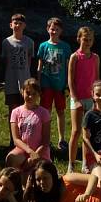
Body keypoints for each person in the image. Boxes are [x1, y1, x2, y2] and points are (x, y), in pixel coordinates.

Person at [37, 17, 72, 153]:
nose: (54, 31)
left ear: (61, 31)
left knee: (60, 111)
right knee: (45, 112)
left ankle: (61, 139)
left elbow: (69, 67)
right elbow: (39, 66)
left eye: (56, 29)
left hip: (60, 85)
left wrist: (68, 84)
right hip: (46, 84)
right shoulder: (43, 46)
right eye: (52, 29)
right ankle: (45, 139)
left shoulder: (65, 47)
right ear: (48, 29)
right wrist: (39, 83)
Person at [67, 27, 100, 173]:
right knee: (75, 131)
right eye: (85, 39)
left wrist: (97, 97)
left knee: (88, 133)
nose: (87, 42)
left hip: (91, 98)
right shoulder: (75, 57)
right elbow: (70, 79)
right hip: (77, 98)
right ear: (79, 38)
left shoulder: (95, 57)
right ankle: (71, 163)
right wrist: (75, 98)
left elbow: (97, 78)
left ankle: (85, 163)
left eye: (90, 40)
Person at [6, 78, 51, 173]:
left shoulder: (44, 113)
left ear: (39, 94)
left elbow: (46, 140)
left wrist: (35, 155)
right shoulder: (15, 112)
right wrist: (29, 151)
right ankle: (16, 181)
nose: (30, 96)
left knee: (34, 171)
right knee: (11, 158)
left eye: (34, 94)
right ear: (22, 92)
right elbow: (16, 139)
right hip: (23, 150)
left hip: (40, 152)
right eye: (28, 93)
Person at [2, 14, 34, 133]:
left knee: (26, 108)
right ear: (11, 25)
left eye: (20, 23)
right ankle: (13, 137)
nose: (17, 25)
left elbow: (29, 60)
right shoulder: (6, 42)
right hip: (11, 80)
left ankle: (25, 135)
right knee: (13, 109)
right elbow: (5, 61)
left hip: (25, 80)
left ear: (24, 25)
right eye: (15, 23)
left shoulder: (29, 42)